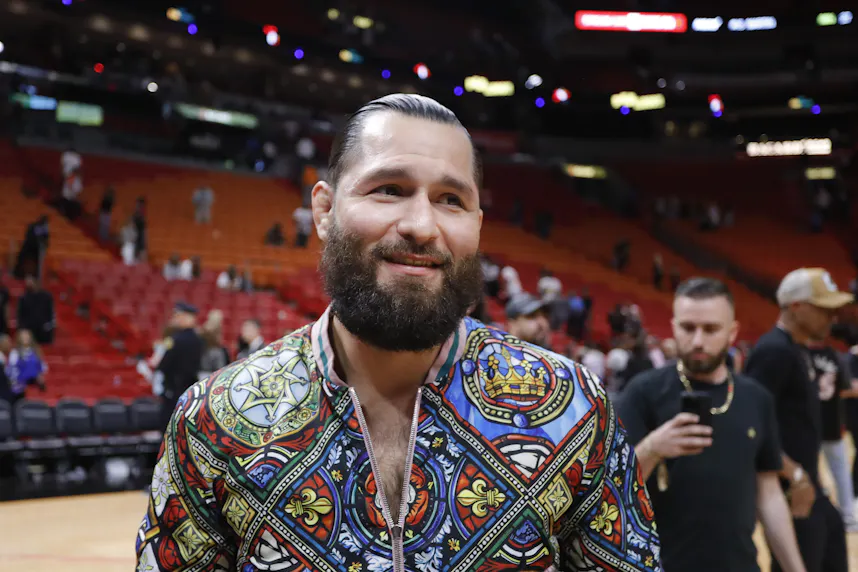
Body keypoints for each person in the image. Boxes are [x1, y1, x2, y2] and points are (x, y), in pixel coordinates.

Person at [136, 94, 660, 571]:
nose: (422, 225)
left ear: (478, 223)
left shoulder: (574, 408)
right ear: (323, 210)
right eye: (390, 189)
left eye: (451, 200)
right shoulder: (215, 419)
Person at [617, 278, 805, 572]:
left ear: (732, 333)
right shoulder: (643, 392)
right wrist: (653, 448)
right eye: (688, 328)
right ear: (674, 326)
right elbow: (609, 488)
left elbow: (768, 493)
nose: (698, 341)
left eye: (711, 329)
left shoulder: (757, 398)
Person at [744, 267, 853, 572]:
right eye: (824, 309)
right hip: (789, 492)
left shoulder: (798, 349)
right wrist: (793, 475)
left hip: (810, 485)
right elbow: (751, 427)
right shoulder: (773, 352)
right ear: (796, 307)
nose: (833, 318)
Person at [806, 339, 858, 531]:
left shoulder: (803, 354)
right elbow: (846, 388)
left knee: (811, 470)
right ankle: (848, 516)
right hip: (830, 422)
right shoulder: (836, 356)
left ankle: (813, 514)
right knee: (839, 471)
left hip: (812, 423)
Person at [155, 302, 203, 432]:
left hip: (173, 391)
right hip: (190, 392)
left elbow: (163, 365)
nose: (176, 319)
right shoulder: (198, 340)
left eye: (178, 315)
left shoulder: (176, 340)